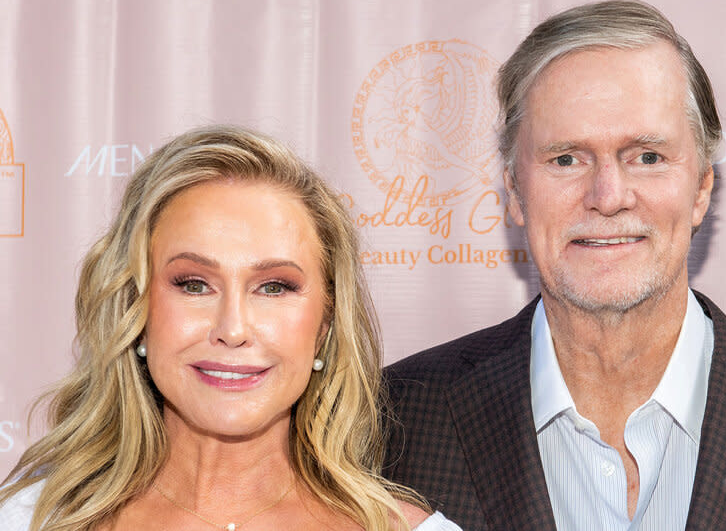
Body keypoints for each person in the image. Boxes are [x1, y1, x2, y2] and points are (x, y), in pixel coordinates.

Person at [383, 0, 726, 531]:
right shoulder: (386, 430)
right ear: (516, 191)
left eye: (647, 157)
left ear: (702, 186)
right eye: (566, 159)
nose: (607, 197)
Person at [0, 126, 461, 531]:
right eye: (194, 284)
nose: (233, 328)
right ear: (135, 310)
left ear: (324, 323)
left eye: (275, 287)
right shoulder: (30, 520)